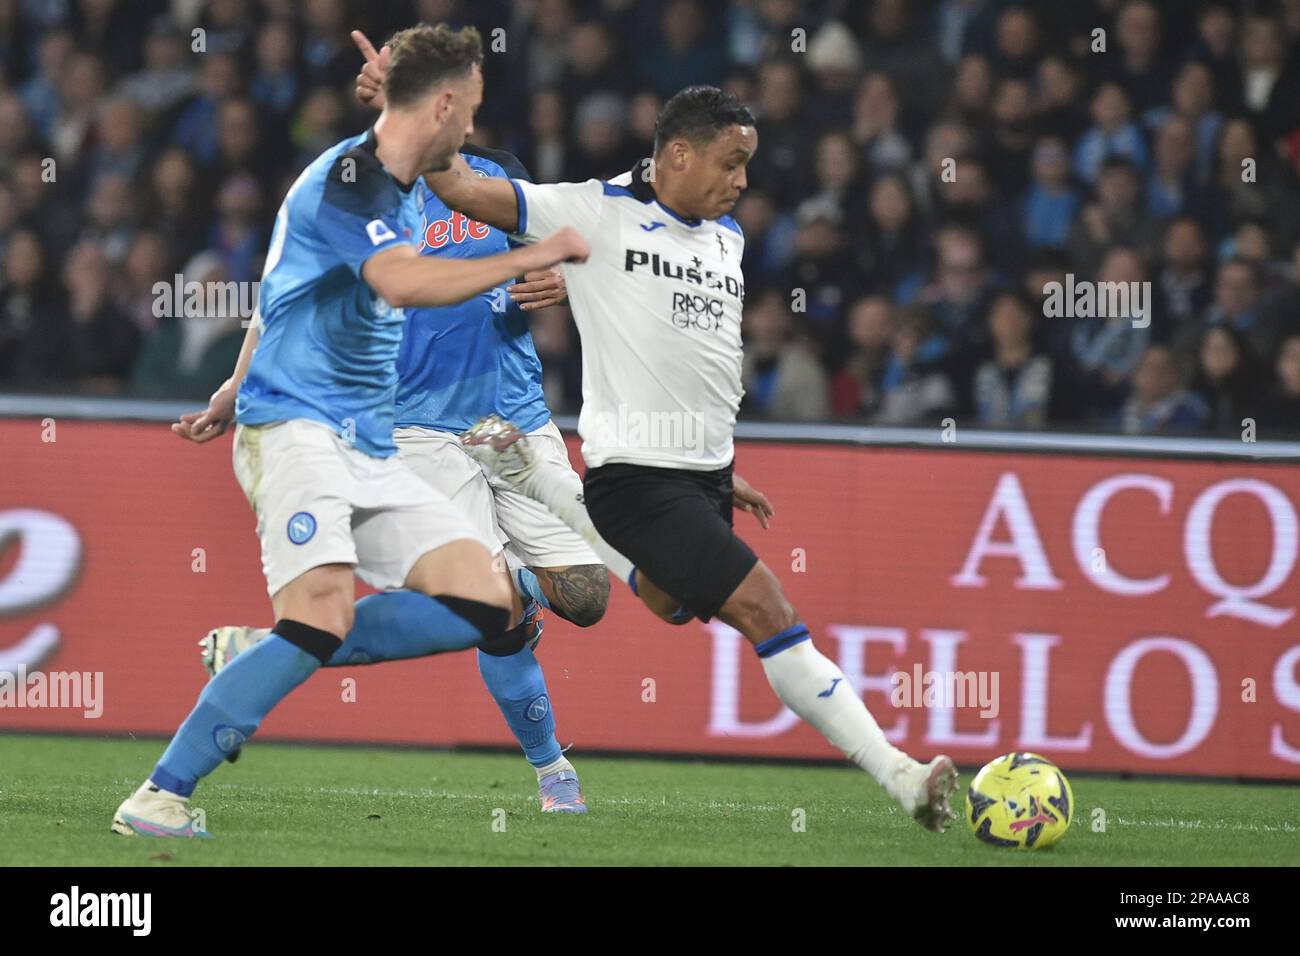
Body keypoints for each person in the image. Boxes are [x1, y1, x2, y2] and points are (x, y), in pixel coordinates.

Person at [417, 80, 959, 832]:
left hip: (696, 475)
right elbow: (460, 189)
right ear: (677, 153)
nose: (742, 180)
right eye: (730, 162)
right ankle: (900, 775)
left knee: (662, 603)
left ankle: (537, 479)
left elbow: (690, 361)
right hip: (637, 482)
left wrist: (718, 467)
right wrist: (412, 115)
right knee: (769, 608)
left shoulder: (726, 240)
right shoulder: (594, 212)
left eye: (748, 165)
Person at [111, 24, 588, 839]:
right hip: (297, 429)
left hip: (368, 442)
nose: (472, 127)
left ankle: (257, 652)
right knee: (321, 616)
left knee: (486, 601)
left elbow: (286, 285)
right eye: (465, 109)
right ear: (443, 105)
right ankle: (159, 794)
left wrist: (400, 108)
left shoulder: (398, 174)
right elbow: (398, 281)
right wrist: (521, 259)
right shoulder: (348, 182)